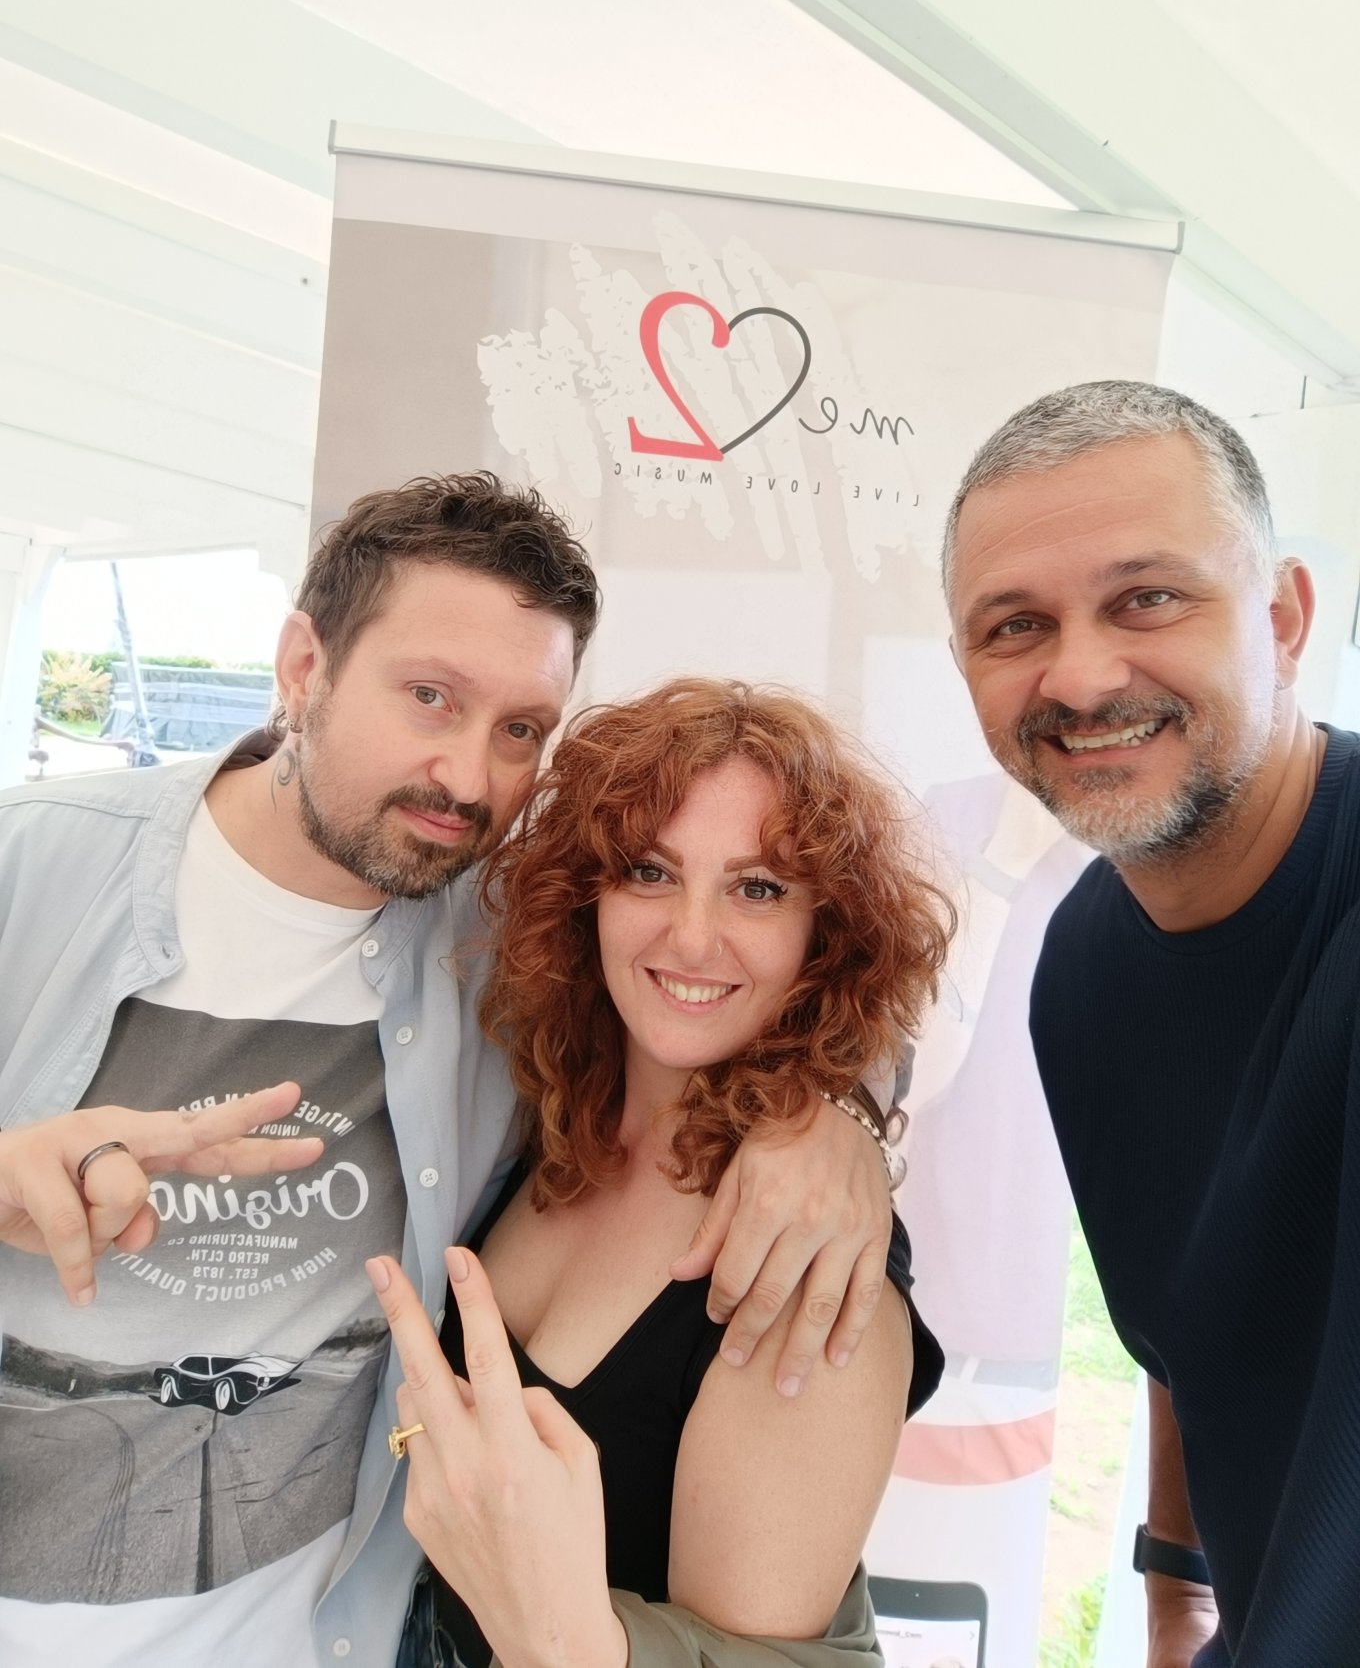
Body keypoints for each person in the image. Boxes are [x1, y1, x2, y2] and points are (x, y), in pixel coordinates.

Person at [0, 475, 903, 1668]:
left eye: (521, 729)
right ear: (303, 666)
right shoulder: (32, 866)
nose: (469, 780)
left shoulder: (491, 937)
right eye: (429, 696)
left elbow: (787, 970)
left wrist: (836, 1121)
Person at [366, 679, 951, 1667]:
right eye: (648, 871)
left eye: (757, 887)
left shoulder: (802, 1260)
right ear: (586, 895)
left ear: (827, 931)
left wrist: (562, 1639)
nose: (690, 934)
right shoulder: (549, 1118)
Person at [943, 379, 1360, 1667]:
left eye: (1147, 598)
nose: (1078, 675)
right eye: (1016, 625)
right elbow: (1186, 1328)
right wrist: (1176, 1597)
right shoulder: (1080, 973)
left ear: (1282, 618)